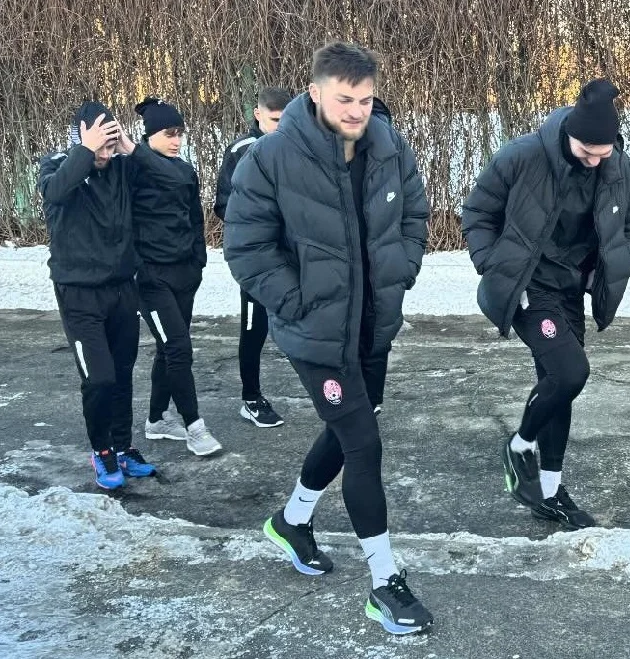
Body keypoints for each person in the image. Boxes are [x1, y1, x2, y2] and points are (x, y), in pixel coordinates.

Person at [224, 42, 432, 635]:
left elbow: (414, 215)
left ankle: (292, 521)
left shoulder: (390, 147)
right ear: (314, 92)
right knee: (363, 444)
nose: (357, 111)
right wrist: (297, 302)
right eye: (345, 99)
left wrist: (402, 269)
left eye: (365, 99)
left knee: (347, 431)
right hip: (316, 335)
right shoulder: (271, 157)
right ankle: (385, 583)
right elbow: (246, 247)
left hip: (373, 326)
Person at [461, 78, 630, 530]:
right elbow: (478, 213)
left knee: (557, 384)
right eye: (586, 151)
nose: (594, 160)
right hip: (529, 286)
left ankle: (549, 492)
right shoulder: (522, 156)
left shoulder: (620, 169)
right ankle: (519, 445)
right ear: (569, 135)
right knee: (571, 372)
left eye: (603, 152)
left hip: (570, 288)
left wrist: (612, 268)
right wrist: (494, 266)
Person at [38, 101, 178, 488]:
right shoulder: (57, 166)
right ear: (80, 139)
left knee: (121, 375)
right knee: (99, 378)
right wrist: (86, 150)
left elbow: (172, 182)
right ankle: (101, 451)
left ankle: (122, 447)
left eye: (110, 145)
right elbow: (54, 192)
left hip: (122, 290)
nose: (105, 154)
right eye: (99, 145)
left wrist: (132, 150)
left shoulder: (121, 167)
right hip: (79, 295)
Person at [131, 96, 222, 456]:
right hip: (150, 279)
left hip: (184, 273)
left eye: (180, 133)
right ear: (150, 135)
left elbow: (195, 218)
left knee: (168, 349)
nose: (177, 140)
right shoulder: (133, 166)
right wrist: (137, 267)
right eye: (169, 133)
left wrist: (198, 261)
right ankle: (195, 426)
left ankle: (156, 420)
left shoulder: (185, 170)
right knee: (179, 348)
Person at [214, 86, 292, 428]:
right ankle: (251, 398)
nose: (280, 126)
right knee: (254, 327)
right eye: (274, 120)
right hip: (257, 260)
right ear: (258, 114)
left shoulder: (297, 147)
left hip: (292, 256)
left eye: (285, 120)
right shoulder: (241, 151)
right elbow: (224, 206)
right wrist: (260, 229)